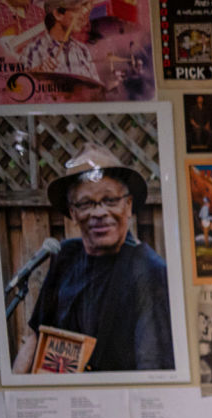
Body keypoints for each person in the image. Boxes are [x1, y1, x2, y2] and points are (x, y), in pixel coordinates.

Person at [12, 146, 172, 373]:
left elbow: (154, 367)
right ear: (73, 212)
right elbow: (36, 337)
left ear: (128, 205)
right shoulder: (65, 256)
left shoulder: (148, 270)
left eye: (110, 200)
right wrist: (17, 393)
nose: (99, 213)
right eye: (86, 203)